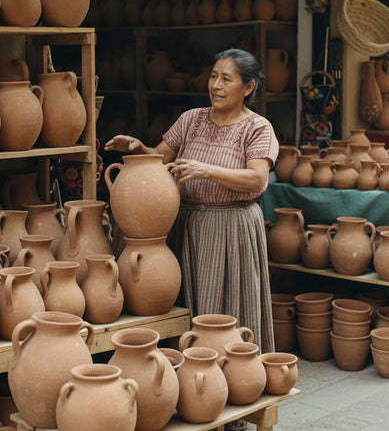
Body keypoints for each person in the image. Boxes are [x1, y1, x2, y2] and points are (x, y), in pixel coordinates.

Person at [105, 48, 279, 354]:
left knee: (226, 305)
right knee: (186, 302)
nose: (216, 85)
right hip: (186, 224)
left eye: (226, 79)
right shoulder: (191, 119)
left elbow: (257, 179)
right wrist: (137, 147)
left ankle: (232, 365)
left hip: (231, 226)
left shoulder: (257, 127)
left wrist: (206, 171)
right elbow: (159, 158)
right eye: (213, 76)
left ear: (247, 88)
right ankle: (191, 367)